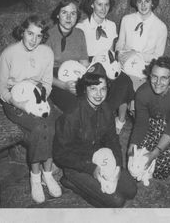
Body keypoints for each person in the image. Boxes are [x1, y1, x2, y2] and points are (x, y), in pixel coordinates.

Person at [53, 63, 137, 208]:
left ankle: (88, 182)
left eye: (103, 88)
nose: (99, 94)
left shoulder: (106, 109)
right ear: (85, 90)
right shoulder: (72, 115)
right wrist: (92, 169)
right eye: (93, 88)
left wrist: (116, 166)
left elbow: (113, 140)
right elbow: (60, 155)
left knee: (131, 190)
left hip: (101, 158)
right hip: (77, 165)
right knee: (117, 201)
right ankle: (71, 181)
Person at [0, 15, 62, 203]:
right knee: (39, 127)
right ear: (22, 31)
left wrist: (41, 97)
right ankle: (36, 177)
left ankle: (47, 174)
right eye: (30, 33)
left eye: (39, 36)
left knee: (53, 124)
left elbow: (47, 83)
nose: (34, 40)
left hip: (38, 95)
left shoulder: (46, 53)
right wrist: (15, 102)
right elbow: (0, 86)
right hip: (15, 98)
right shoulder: (8, 53)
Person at [77, 0, 135, 134]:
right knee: (100, 83)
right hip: (90, 65)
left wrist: (115, 63)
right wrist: (94, 62)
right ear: (92, 5)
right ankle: (101, 120)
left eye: (107, 5)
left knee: (125, 81)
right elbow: (80, 57)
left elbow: (111, 50)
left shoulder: (111, 25)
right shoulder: (81, 27)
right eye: (99, 4)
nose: (103, 9)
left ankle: (119, 121)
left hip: (107, 64)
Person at [128, 56, 170, 179]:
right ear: (150, 75)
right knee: (139, 153)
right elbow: (141, 124)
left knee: (160, 165)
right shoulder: (142, 93)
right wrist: (131, 150)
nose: (158, 82)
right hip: (155, 122)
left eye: (164, 78)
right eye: (154, 76)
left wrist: (154, 154)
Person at [116, 0, 168, 91]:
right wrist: (119, 54)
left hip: (143, 70)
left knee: (133, 89)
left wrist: (136, 54)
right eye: (140, 1)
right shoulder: (126, 20)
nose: (143, 5)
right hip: (123, 65)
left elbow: (157, 57)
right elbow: (120, 43)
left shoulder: (161, 27)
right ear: (136, 3)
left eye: (147, 1)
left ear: (152, 3)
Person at [46, 0, 90, 113]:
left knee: (91, 102)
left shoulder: (80, 34)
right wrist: (63, 85)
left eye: (73, 13)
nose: (69, 17)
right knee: (75, 107)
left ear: (77, 17)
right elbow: (42, 72)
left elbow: (84, 64)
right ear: (57, 15)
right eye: (64, 12)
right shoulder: (48, 35)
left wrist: (85, 83)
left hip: (76, 75)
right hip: (55, 80)